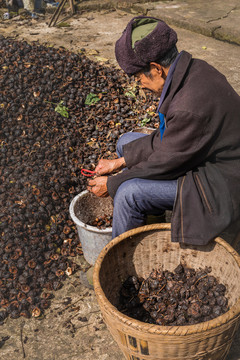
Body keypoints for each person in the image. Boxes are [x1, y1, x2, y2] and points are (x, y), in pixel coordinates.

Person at [87, 15, 240, 246]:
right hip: (199, 154)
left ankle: (118, 259)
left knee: (129, 193)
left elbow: (165, 163)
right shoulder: (192, 69)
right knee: (125, 142)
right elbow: (170, 139)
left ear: (156, 69)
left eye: (138, 76)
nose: (139, 84)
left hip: (221, 183)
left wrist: (113, 183)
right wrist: (118, 163)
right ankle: (151, 215)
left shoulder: (189, 106)